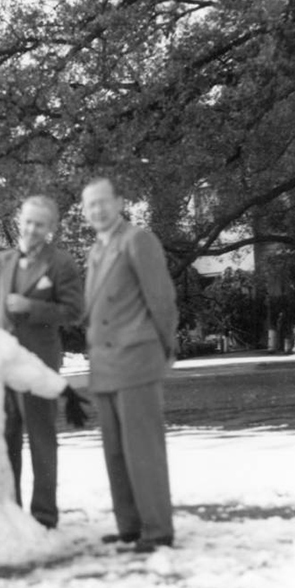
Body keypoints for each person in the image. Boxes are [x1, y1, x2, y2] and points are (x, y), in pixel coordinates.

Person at [82, 177, 178, 553]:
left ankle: (158, 530)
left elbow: (162, 299)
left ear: (120, 201)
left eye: (103, 202)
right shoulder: (96, 249)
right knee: (116, 451)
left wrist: (165, 347)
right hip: (104, 364)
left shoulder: (137, 240)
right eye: (90, 205)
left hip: (136, 359)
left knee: (143, 450)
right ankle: (130, 526)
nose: (97, 210)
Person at [0, 195, 84, 529]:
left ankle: (44, 515)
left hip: (40, 363)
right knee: (6, 438)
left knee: (42, 438)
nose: (31, 229)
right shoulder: (2, 261)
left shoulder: (62, 263)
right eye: (27, 221)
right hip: (3, 365)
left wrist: (31, 307)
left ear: (51, 229)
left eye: (39, 224)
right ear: (19, 220)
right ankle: (12, 511)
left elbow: (74, 312)